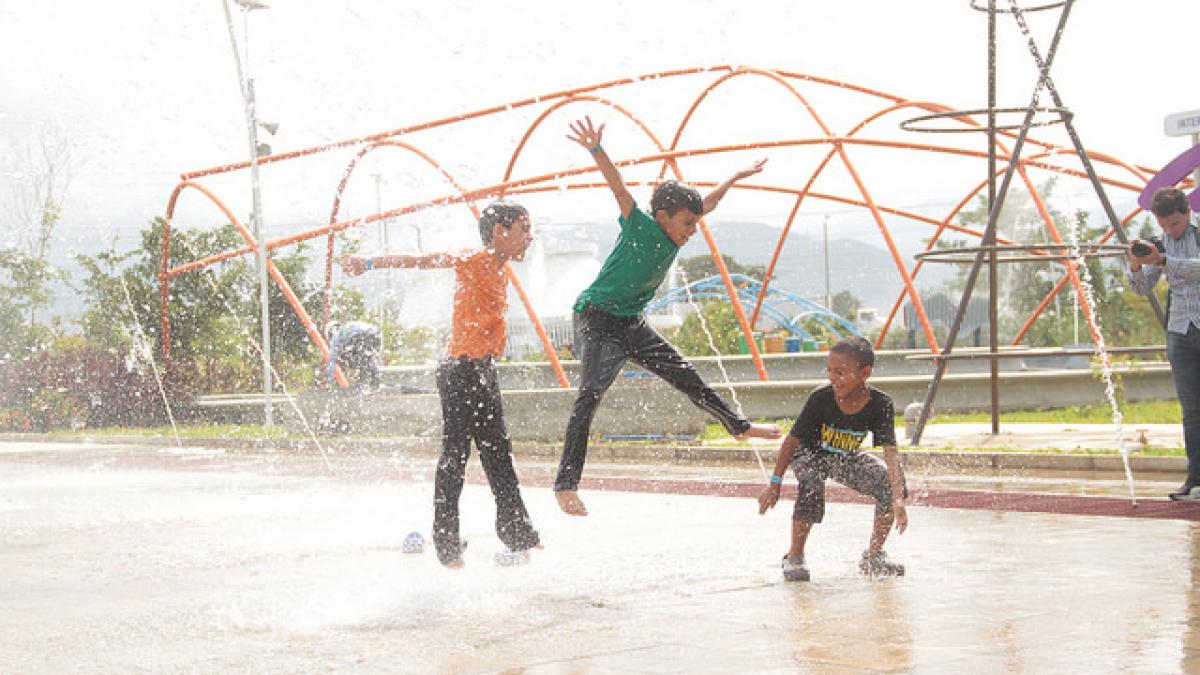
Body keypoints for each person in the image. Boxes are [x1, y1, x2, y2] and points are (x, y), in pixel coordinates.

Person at [554, 116, 783, 517]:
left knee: (687, 376)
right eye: (687, 224)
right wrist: (595, 149)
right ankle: (565, 485)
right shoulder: (639, 224)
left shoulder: (677, 227)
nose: (693, 231)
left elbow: (707, 203)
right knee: (589, 394)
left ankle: (739, 427)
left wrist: (734, 176)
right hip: (596, 319)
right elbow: (619, 187)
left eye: (694, 223)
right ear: (662, 215)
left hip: (631, 323)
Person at [341, 202, 541, 567]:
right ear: (501, 232)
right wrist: (369, 263)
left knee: (499, 452)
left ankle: (517, 532)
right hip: (460, 372)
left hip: (483, 370)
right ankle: (447, 544)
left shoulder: (499, 268)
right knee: (455, 456)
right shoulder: (474, 259)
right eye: (524, 229)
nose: (530, 237)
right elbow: (423, 259)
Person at [757, 336, 908, 582]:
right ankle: (794, 556)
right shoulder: (821, 399)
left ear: (865, 373)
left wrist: (898, 499)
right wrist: (775, 482)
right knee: (812, 484)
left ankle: (874, 555)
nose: (833, 378)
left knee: (889, 483)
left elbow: (891, 453)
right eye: (830, 371)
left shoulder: (881, 404)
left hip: (844, 457)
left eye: (841, 372)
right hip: (810, 455)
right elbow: (791, 442)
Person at [1128, 186, 1200, 500]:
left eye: (1175, 223)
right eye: (1165, 225)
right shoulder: (1157, 244)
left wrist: (1165, 261)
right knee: (1192, 411)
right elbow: (1142, 288)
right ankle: (1195, 480)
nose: (1170, 230)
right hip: (1180, 332)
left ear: (1187, 213)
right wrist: (1135, 263)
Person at [323, 320, 382, 390]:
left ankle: (361, 383)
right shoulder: (348, 326)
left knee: (355, 357)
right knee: (366, 357)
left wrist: (328, 379)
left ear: (330, 332)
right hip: (374, 335)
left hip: (360, 336)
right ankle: (375, 381)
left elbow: (332, 359)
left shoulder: (336, 334)